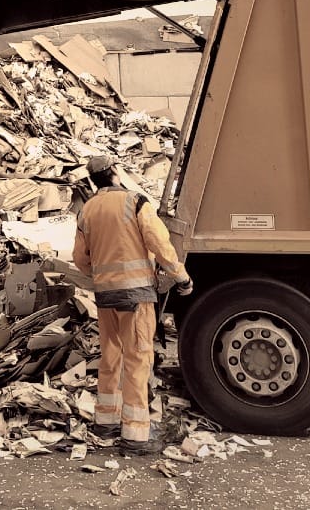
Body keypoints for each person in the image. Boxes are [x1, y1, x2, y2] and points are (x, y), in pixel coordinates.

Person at [73, 162, 193, 453]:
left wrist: (102, 274)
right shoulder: (136, 202)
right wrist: (181, 277)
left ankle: (106, 421)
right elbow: (159, 242)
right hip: (136, 296)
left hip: (105, 295)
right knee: (137, 358)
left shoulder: (87, 209)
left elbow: (80, 258)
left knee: (110, 355)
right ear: (115, 173)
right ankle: (135, 435)